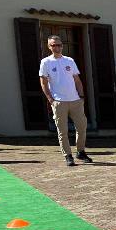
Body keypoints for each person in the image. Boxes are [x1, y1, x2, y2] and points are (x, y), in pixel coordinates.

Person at [39, 35, 91, 167]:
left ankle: (80, 151)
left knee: (82, 127)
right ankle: (67, 155)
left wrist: (82, 96)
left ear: (62, 45)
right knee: (62, 131)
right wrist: (51, 99)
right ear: (49, 47)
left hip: (75, 100)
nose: (57, 47)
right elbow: (44, 83)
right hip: (59, 101)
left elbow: (77, 80)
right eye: (54, 45)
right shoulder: (46, 62)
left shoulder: (69, 60)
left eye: (59, 45)